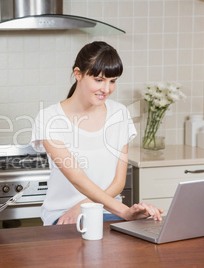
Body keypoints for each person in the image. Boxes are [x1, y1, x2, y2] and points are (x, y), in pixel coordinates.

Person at [31, 41, 163, 226]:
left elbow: (118, 181)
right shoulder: (50, 118)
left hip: (108, 212)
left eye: (113, 81)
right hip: (64, 215)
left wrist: (86, 205)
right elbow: (77, 178)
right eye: (99, 80)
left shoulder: (120, 114)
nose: (107, 89)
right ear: (78, 74)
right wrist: (124, 211)